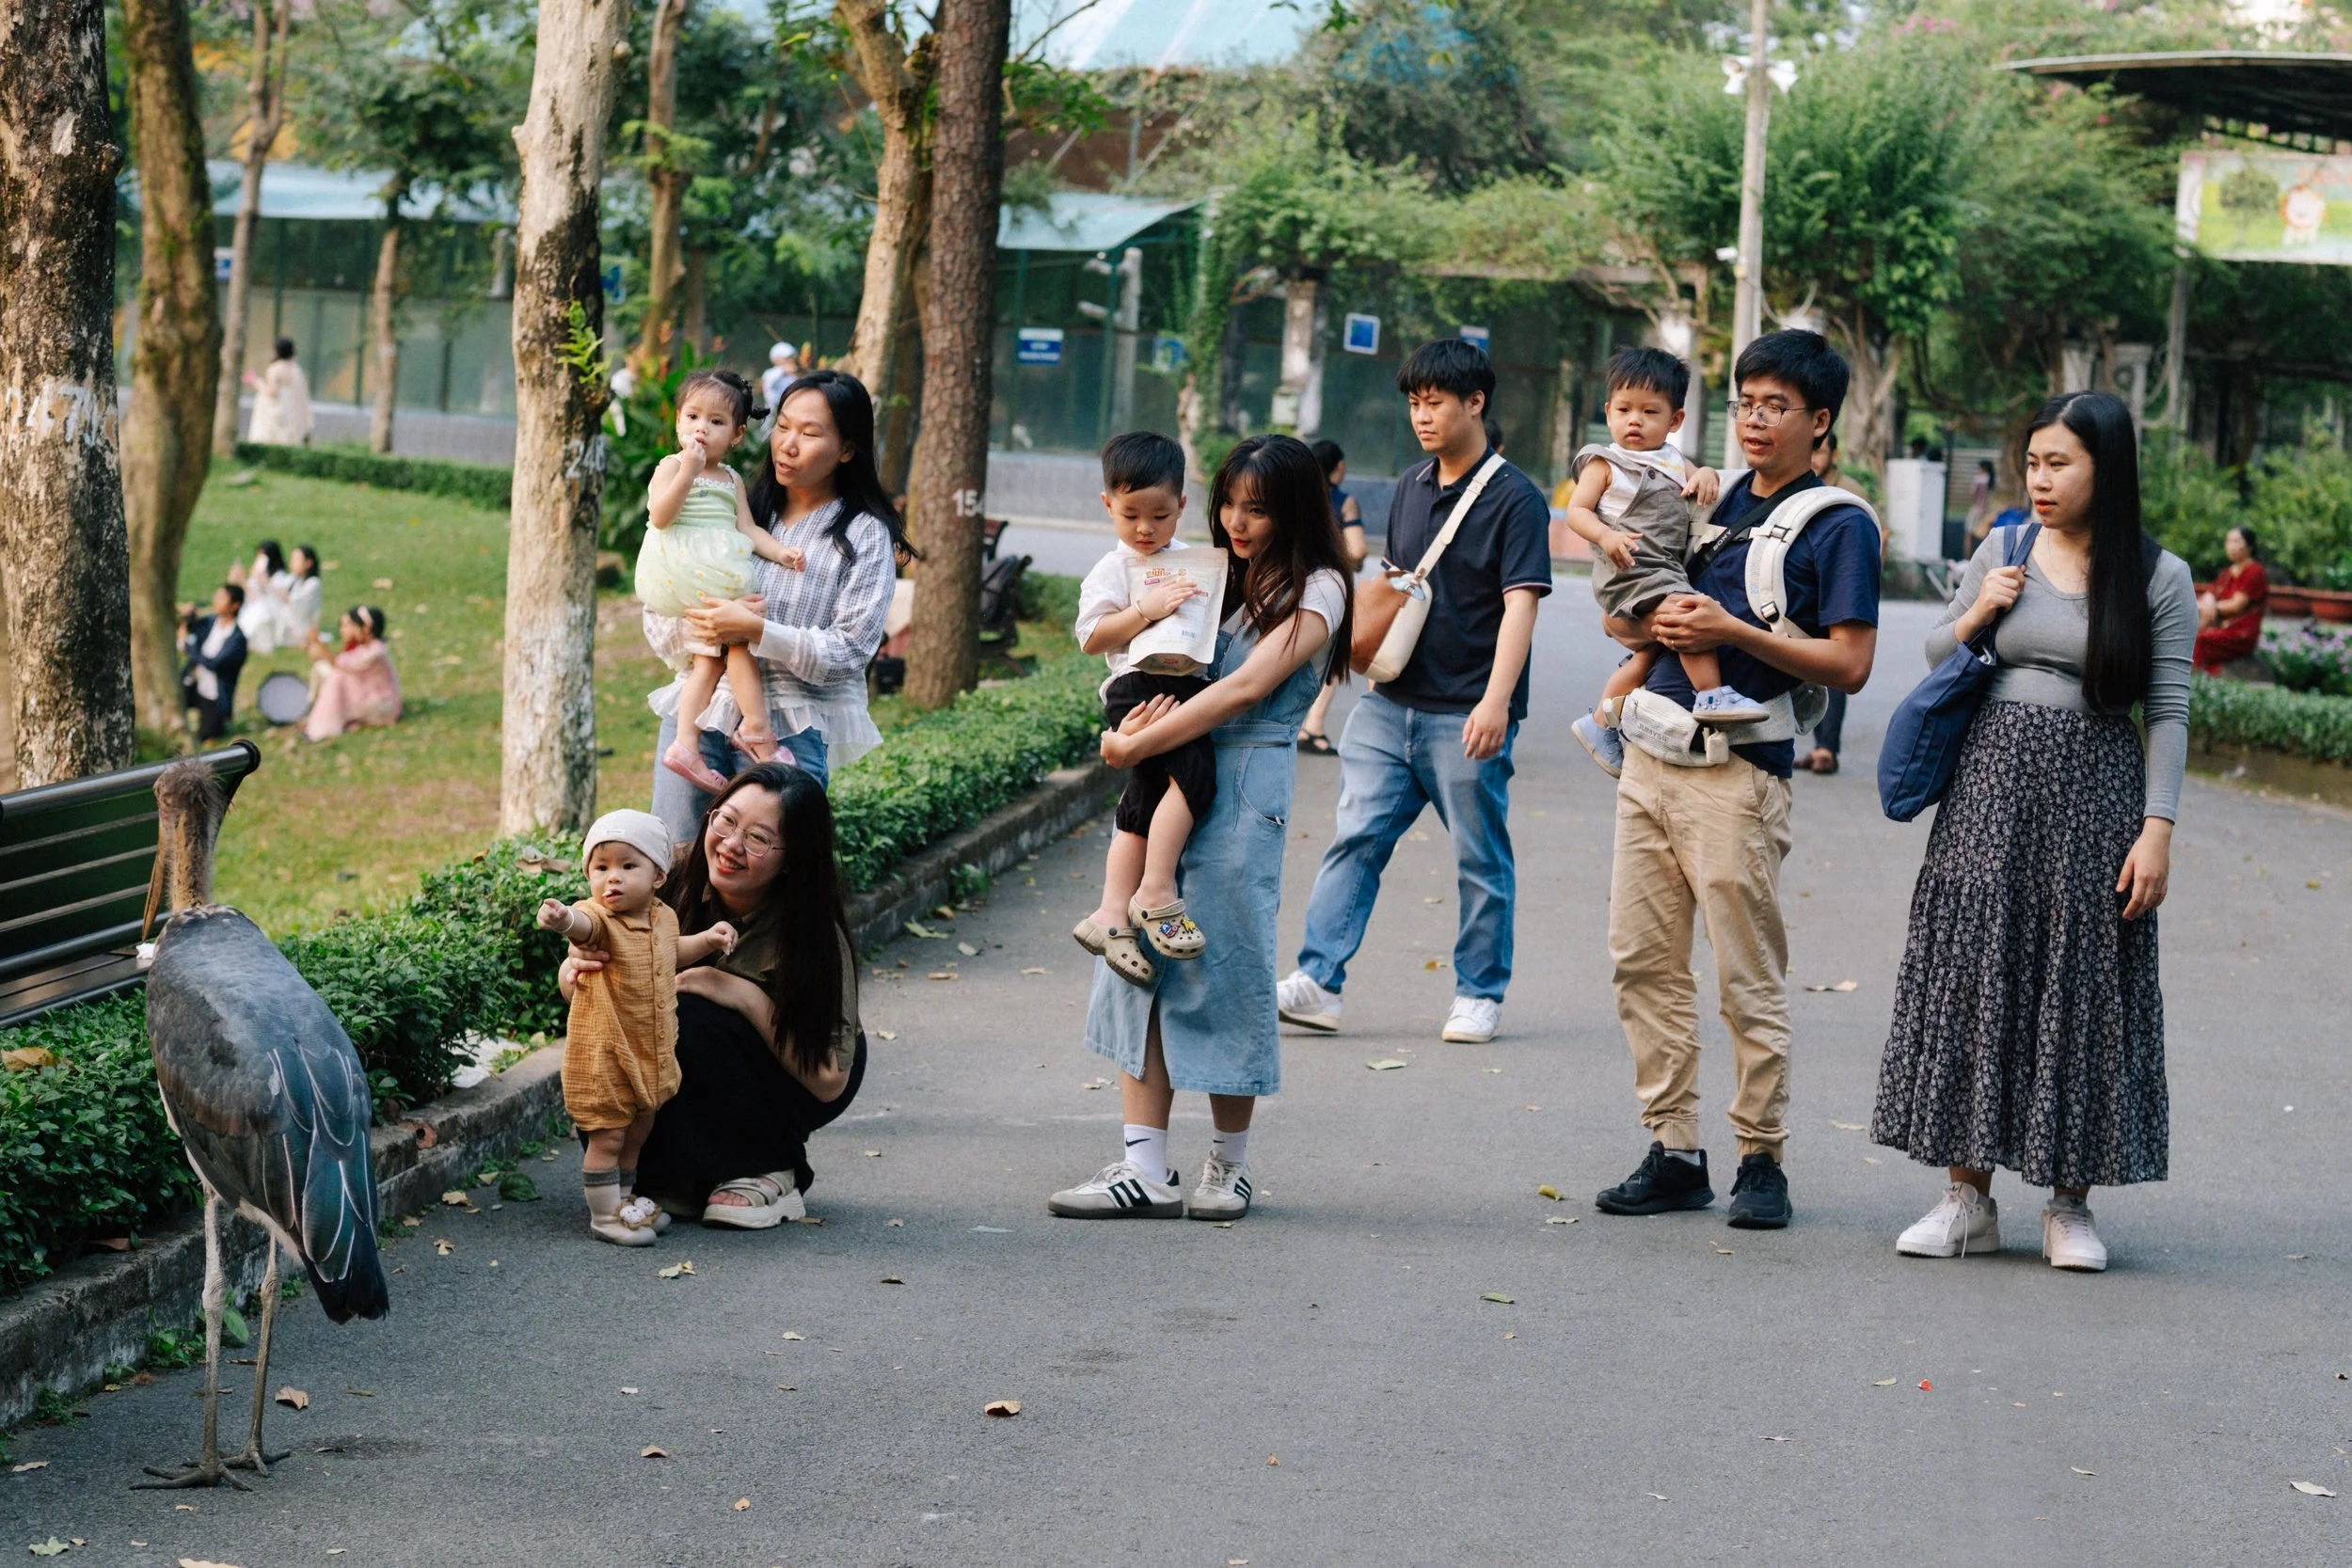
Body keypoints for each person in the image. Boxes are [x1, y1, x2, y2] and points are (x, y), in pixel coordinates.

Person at [1873, 390, 2196, 1273]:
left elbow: (2167, 710)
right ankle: (1965, 1198)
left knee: (2079, 981)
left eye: (2060, 464)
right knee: (1978, 971)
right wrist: (1981, 611)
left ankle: (2068, 1204)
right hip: (1988, 792)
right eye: (2033, 463)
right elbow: (1941, 651)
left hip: (2097, 797)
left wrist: (2156, 829)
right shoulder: (2004, 547)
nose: (2040, 480)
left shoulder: (2159, 577)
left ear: (2108, 470)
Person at [1591, 329, 1881, 1230]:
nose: (1756, 420)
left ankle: (1763, 1156)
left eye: (1777, 406)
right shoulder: (1701, 500)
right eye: (1747, 402)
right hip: (1651, 755)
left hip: (1740, 769)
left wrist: (1734, 632)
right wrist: (1646, 630)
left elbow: (1850, 665)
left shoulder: (1838, 523)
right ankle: (1674, 1147)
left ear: (1819, 421)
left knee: (1745, 974)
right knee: (1642, 962)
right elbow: (1636, 617)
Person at [1049, 435, 1353, 1222]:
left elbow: (1248, 687)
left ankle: (1230, 1163)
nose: (1239, 520)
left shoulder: (1319, 586)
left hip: (1243, 782)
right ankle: (1144, 1164)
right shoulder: (1204, 571)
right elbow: (1130, 649)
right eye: (1230, 503)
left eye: (1258, 507)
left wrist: (1134, 743)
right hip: (1164, 771)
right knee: (1134, 957)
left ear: (1294, 509)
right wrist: (1132, 729)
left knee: (1226, 965)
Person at [1277, 340, 1551, 1046]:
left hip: (1466, 710)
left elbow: (1521, 603)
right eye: (1414, 403)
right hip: (1389, 703)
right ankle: (1318, 981)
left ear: (1476, 403)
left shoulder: (1516, 498)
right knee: (1355, 838)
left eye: (1434, 402)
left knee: (1478, 856)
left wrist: (1497, 702)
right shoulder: (1409, 485)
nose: (1421, 416)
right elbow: (1397, 586)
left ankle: (1479, 993)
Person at [561, 765, 865, 1228]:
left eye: (759, 838)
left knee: (697, 1014)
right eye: (726, 820)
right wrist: (576, 973)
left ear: (794, 858)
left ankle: (770, 1166)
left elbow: (828, 1080)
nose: (730, 845)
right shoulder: (662, 874)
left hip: (795, 1075)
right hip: (674, 1052)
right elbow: (594, 979)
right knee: (623, 1053)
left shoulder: (814, 933)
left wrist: (738, 992)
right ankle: (680, 1178)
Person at [648, 370, 915, 842]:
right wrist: (707, 629)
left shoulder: (864, 533)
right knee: (675, 867)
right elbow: (662, 608)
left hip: (787, 736)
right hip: (698, 721)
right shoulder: (729, 501)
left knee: (774, 885)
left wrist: (755, 631)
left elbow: (852, 651)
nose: (788, 444)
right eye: (784, 426)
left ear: (847, 449)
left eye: (810, 434)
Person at [534, 810, 739, 1246]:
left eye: (629, 866)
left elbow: (672, 951)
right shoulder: (599, 920)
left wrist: (709, 940)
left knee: (638, 1131)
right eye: (600, 868)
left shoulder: (662, 917)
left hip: (649, 1052)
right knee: (607, 1136)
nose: (613, 879)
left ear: (659, 877)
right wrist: (562, 919)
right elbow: (581, 927)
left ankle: (625, 1200)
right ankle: (604, 1216)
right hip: (606, 1054)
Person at [1071, 432, 1216, 985]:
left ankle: (1110, 916)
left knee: (1147, 794)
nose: (1145, 529)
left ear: (1182, 504)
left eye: (1160, 514)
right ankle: (1156, 892)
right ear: (1108, 504)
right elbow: (1091, 638)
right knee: (1196, 778)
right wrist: (1143, 610)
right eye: (1131, 514)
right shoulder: (1113, 569)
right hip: (1139, 686)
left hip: (1185, 685)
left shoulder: (1196, 561)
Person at [1563, 348, 1738, 779]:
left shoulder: (1673, 462)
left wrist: (1708, 473)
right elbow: (1577, 512)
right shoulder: (1605, 463)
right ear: (1608, 412)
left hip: (1663, 570)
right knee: (1687, 615)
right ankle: (1713, 696)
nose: (1634, 420)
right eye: (1623, 410)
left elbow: (1699, 477)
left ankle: (1600, 722)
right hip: (1629, 569)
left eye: (1648, 411)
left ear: (1674, 421)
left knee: (1653, 650)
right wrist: (1606, 534)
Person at [636, 369, 805, 792]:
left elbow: (746, 529)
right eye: (692, 417)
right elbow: (660, 516)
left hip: (713, 574)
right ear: (677, 421)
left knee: (713, 660)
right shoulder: (671, 466)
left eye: (715, 422)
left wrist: (780, 552)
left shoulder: (730, 479)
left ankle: (686, 745)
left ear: (736, 434)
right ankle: (758, 733)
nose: (701, 429)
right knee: (739, 643)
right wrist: (687, 472)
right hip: (682, 570)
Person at [1295, 439, 1366, 755]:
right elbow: (1358, 550)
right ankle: (1314, 727)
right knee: (1330, 659)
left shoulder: (1297, 497)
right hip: (1331, 591)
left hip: (1292, 584)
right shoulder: (1344, 501)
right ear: (1339, 466)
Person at [1796, 435, 1851, 775]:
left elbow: (1879, 535)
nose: (1814, 458)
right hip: (1803, 592)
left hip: (1837, 591)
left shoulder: (1849, 491)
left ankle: (1826, 749)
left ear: (1834, 453)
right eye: (1810, 449)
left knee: (1834, 669)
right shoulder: (1798, 487)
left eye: (1820, 451)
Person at [301, 606, 401, 742]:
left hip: (382, 705)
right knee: (329, 672)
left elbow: (343, 665)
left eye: (353, 626)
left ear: (366, 629)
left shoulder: (375, 651)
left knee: (338, 678)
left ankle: (322, 728)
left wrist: (320, 646)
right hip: (368, 696)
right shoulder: (363, 646)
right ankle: (317, 716)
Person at [2193, 525, 2269, 673]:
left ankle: (2198, 679)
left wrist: (2210, 607)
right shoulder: (2227, 572)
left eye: (2236, 541)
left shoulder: (2254, 571)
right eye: (2228, 541)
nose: (2231, 546)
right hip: (2221, 627)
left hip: (2240, 632)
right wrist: (2207, 604)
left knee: (2199, 640)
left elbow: (2236, 606)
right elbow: (2210, 594)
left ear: (2249, 546)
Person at [179, 584, 249, 743]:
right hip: (193, 683)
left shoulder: (237, 639)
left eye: (221, 598)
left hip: (214, 695)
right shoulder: (210, 622)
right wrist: (187, 616)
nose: (215, 601)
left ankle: (219, 721)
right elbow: (189, 628)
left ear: (235, 605)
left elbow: (215, 664)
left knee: (207, 735)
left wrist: (188, 646)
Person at [230, 540, 324, 655]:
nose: (292, 563)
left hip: (299, 625)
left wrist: (266, 582)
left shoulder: (313, 583)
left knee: (263, 611)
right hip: (284, 620)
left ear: (308, 563)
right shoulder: (293, 579)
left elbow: (292, 601)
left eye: (296, 560)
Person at [243, 338, 312, 446]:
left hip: (278, 413)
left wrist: (256, 382)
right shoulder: (297, 369)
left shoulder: (275, 369)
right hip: (292, 413)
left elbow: (272, 392)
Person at [758, 341, 802, 433]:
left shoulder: (793, 376)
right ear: (775, 359)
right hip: (772, 417)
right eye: (786, 358)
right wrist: (784, 370)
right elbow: (770, 383)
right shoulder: (769, 374)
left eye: (791, 357)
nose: (790, 360)